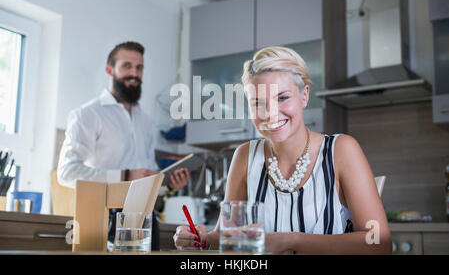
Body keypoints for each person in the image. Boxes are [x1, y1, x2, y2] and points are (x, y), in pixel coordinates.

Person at [173, 46, 392, 254]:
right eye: (258, 103)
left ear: (304, 95)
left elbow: (378, 243)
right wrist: (199, 238)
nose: (270, 113)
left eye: (283, 98)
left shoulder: (341, 150)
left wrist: (290, 240)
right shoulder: (244, 156)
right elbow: (226, 235)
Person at [57, 41, 191, 247]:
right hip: (102, 220)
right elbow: (66, 173)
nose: (134, 74)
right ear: (110, 70)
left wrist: (169, 185)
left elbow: (146, 175)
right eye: (127, 66)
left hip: (146, 220)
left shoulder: (146, 122)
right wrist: (124, 176)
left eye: (139, 68)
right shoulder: (87, 114)